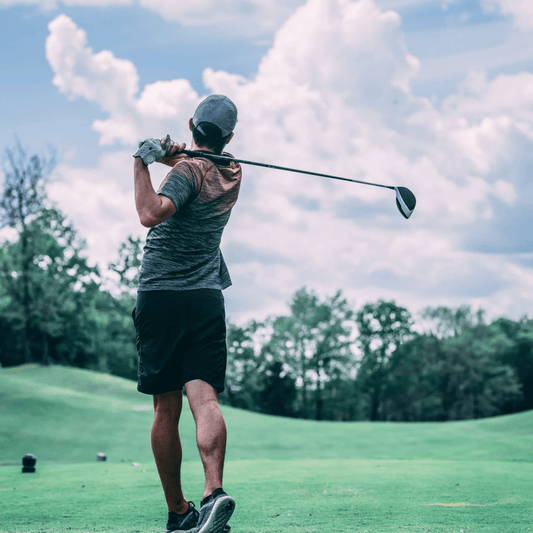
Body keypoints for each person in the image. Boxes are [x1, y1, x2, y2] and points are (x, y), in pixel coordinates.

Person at [132, 94, 241, 533]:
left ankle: (179, 512)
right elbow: (196, 167)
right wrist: (171, 154)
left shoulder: (188, 172)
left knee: (165, 409)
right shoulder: (232, 170)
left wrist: (142, 162)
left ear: (192, 123)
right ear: (230, 137)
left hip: (161, 296)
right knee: (205, 399)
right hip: (204, 297)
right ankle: (214, 492)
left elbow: (150, 213)